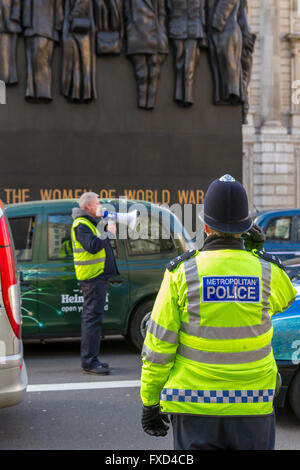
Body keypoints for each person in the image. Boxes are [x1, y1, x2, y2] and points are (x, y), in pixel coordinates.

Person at [140, 174, 297, 450]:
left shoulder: (181, 272)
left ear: (205, 226)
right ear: (246, 228)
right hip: (253, 406)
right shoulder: (267, 272)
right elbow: (286, 297)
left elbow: (158, 348)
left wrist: (150, 402)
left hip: (194, 407)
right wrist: (257, 252)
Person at [71, 192, 119, 375]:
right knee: (92, 320)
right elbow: (92, 246)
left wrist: (107, 227)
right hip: (92, 279)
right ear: (89, 207)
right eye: (98, 203)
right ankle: (90, 362)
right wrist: (108, 232)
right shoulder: (81, 225)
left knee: (94, 320)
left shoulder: (90, 223)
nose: (101, 206)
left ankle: (93, 359)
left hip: (97, 278)